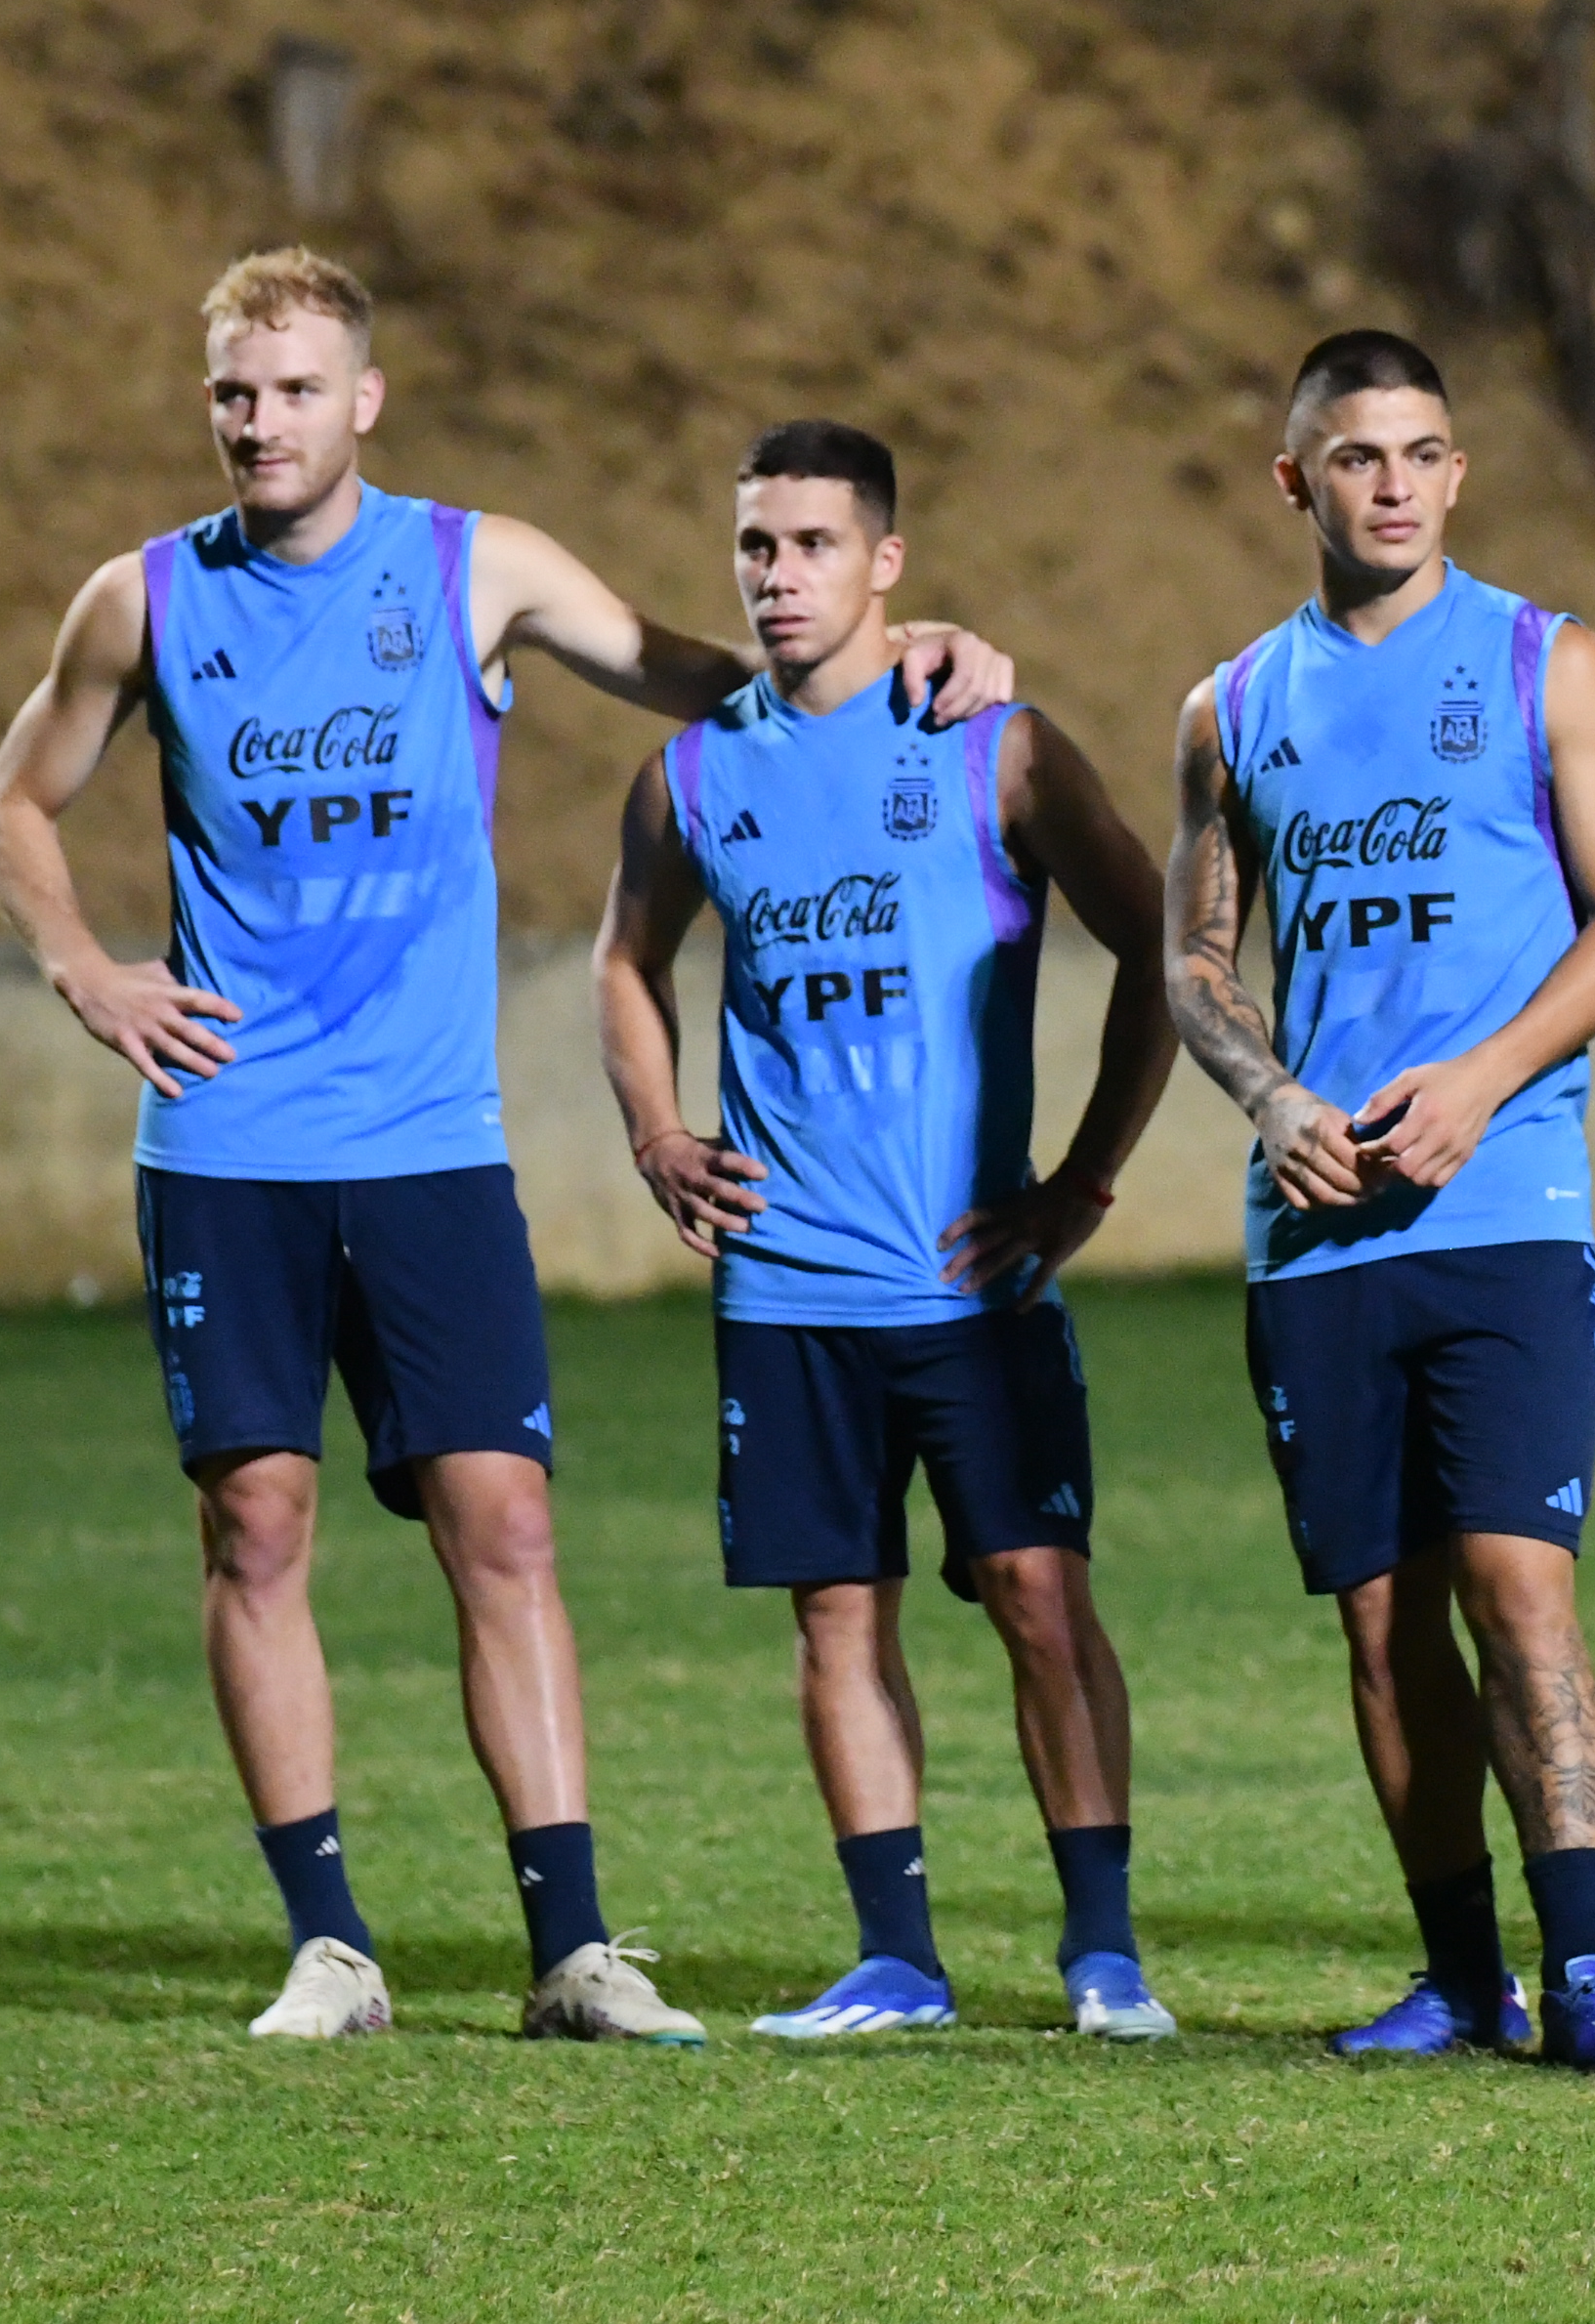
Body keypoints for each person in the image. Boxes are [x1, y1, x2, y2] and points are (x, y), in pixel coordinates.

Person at [0, 249, 1012, 2044]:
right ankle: (331, 1945)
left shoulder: (477, 567)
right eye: (235, 392)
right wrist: (85, 968)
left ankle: (575, 1951)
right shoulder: (140, 603)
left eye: (296, 389)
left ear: (363, 401)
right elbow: (12, 800)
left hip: (430, 1139)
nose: (260, 422)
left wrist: (911, 647)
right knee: (257, 1519)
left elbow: (712, 680)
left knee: (505, 1526)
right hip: (228, 1136)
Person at [590, 419, 1181, 2045]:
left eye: (814, 548)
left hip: (969, 1283)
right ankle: (898, 1960)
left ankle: (1105, 1952)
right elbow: (624, 965)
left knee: (1037, 1593)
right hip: (787, 1290)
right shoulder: (696, 777)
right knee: (837, 1612)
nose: (780, 579)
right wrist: (656, 1130)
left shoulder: (990, 742)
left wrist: (1082, 1181)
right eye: (757, 550)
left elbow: (1163, 950)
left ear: (888, 564)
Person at [1161, 330, 1595, 2071]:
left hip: (1507, 1206)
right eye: (1358, 456)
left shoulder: (1549, 663)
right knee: (1383, 1624)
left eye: (1425, 453)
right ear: (1294, 479)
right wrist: (1272, 1094)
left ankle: (1590, 1969)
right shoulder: (1232, 706)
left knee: (1518, 1588)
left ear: (1460, 473)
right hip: (1316, 1234)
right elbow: (1192, 956)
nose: (1394, 484)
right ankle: (1464, 1980)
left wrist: (1484, 1077)